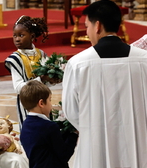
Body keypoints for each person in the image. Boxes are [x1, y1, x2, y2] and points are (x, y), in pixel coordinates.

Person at [62, 0, 147, 168]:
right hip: (137, 143)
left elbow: (71, 110)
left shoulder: (78, 64)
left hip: (95, 145)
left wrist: (94, 126)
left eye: (87, 26)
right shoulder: (143, 60)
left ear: (97, 26)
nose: (87, 31)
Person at [4, 15, 60, 128]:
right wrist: (41, 79)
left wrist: (53, 79)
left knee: (46, 132)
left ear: (32, 36)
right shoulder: (15, 59)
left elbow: (47, 83)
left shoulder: (42, 54)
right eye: (14, 36)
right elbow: (19, 88)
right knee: (33, 135)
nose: (17, 39)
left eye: (21, 35)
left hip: (44, 101)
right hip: (27, 106)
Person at [19, 80, 78, 168]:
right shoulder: (49, 127)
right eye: (50, 100)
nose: (51, 105)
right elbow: (64, 154)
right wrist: (74, 134)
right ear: (41, 103)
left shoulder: (25, 125)